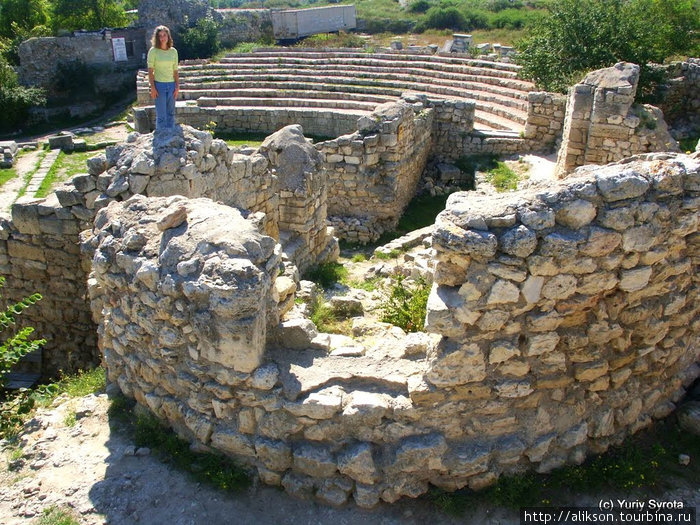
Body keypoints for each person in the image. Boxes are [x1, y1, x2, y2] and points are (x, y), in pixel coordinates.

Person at [147, 25, 179, 130]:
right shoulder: (153, 51)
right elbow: (150, 71)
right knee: (161, 116)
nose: (162, 38)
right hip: (159, 85)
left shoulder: (173, 51)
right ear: (157, 37)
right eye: (160, 36)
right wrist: (152, 87)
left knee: (171, 114)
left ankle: (171, 139)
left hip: (171, 84)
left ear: (168, 36)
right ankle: (161, 140)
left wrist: (177, 86)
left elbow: (175, 70)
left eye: (164, 35)